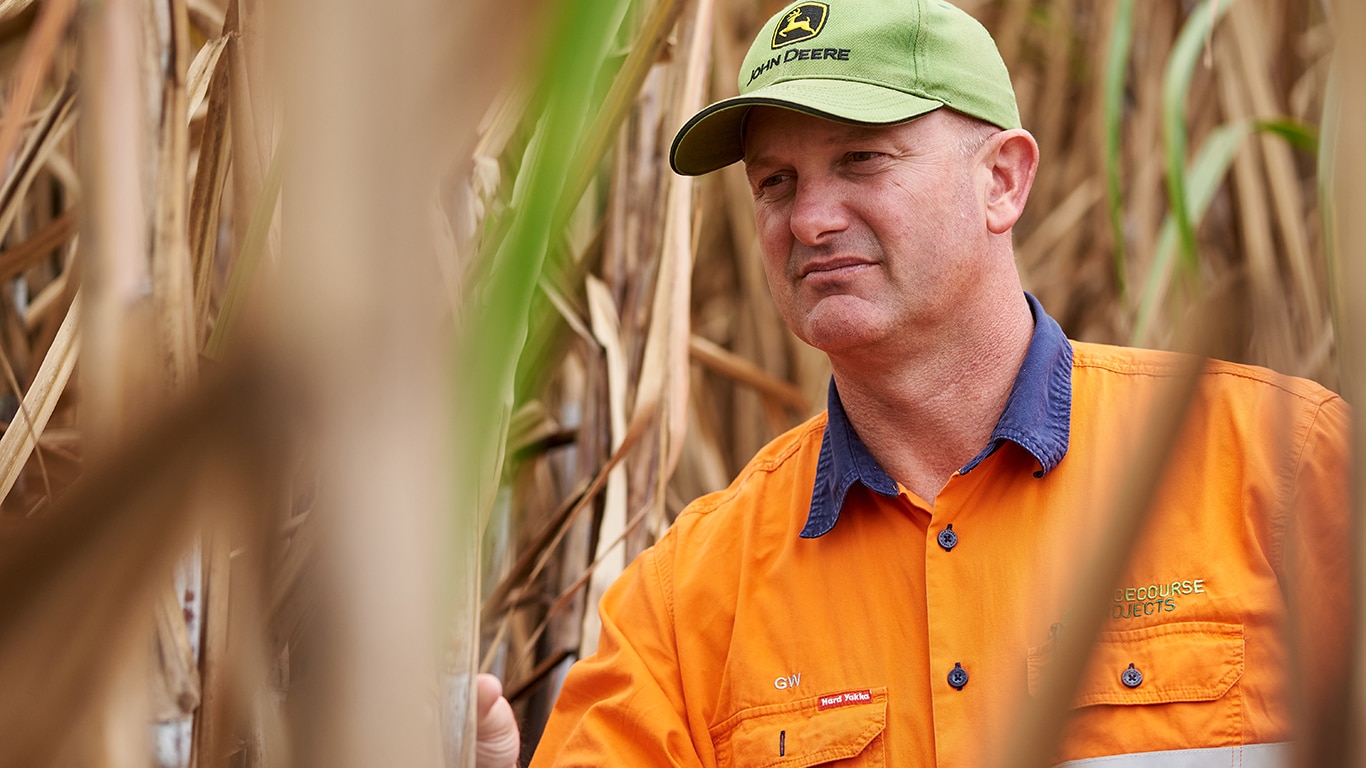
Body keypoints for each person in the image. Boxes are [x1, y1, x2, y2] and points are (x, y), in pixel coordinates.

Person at [481, 0, 1353, 765]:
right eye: (775, 183)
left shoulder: (1279, 464)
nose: (811, 220)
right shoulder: (689, 600)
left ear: (1003, 180)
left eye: (862, 161)